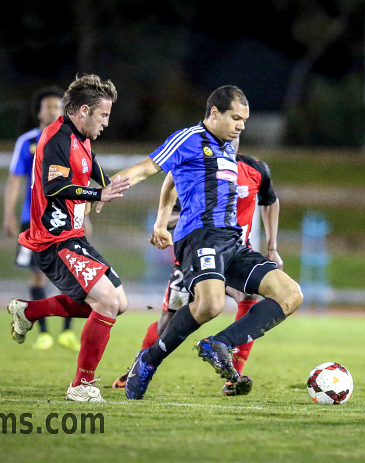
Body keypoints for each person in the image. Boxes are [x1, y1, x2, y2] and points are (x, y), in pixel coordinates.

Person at [97, 85, 302, 400]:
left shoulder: (229, 148)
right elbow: (149, 169)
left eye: (244, 120)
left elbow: (173, 181)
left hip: (232, 242)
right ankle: (148, 361)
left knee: (290, 294)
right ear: (215, 113)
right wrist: (104, 190)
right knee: (211, 304)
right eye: (236, 118)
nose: (241, 126)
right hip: (198, 237)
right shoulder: (189, 138)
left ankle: (220, 344)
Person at [111, 136, 283, 395]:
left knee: (251, 296)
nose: (233, 138)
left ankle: (232, 374)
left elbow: (270, 201)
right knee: (167, 323)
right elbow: (174, 208)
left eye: (239, 131)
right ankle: (139, 364)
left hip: (235, 254)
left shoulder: (256, 169)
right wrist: (165, 224)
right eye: (231, 128)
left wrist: (272, 248)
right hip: (198, 255)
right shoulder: (202, 172)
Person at [6, 74, 132, 403]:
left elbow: (91, 166)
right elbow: (53, 187)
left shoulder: (81, 137)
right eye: (103, 115)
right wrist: (97, 192)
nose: (106, 122)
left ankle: (29, 311)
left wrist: (106, 187)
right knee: (105, 301)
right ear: (83, 111)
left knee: (120, 304)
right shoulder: (57, 138)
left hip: (74, 236)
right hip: (54, 240)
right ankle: (81, 385)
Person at [3, 86, 81, 352]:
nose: (54, 111)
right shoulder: (28, 142)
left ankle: (68, 332)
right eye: (49, 106)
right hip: (33, 219)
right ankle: (44, 333)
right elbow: (15, 179)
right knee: (37, 275)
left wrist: (83, 216)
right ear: (39, 111)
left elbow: (77, 181)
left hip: (65, 218)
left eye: (58, 107)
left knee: (73, 273)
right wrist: (9, 214)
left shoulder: (70, 139)